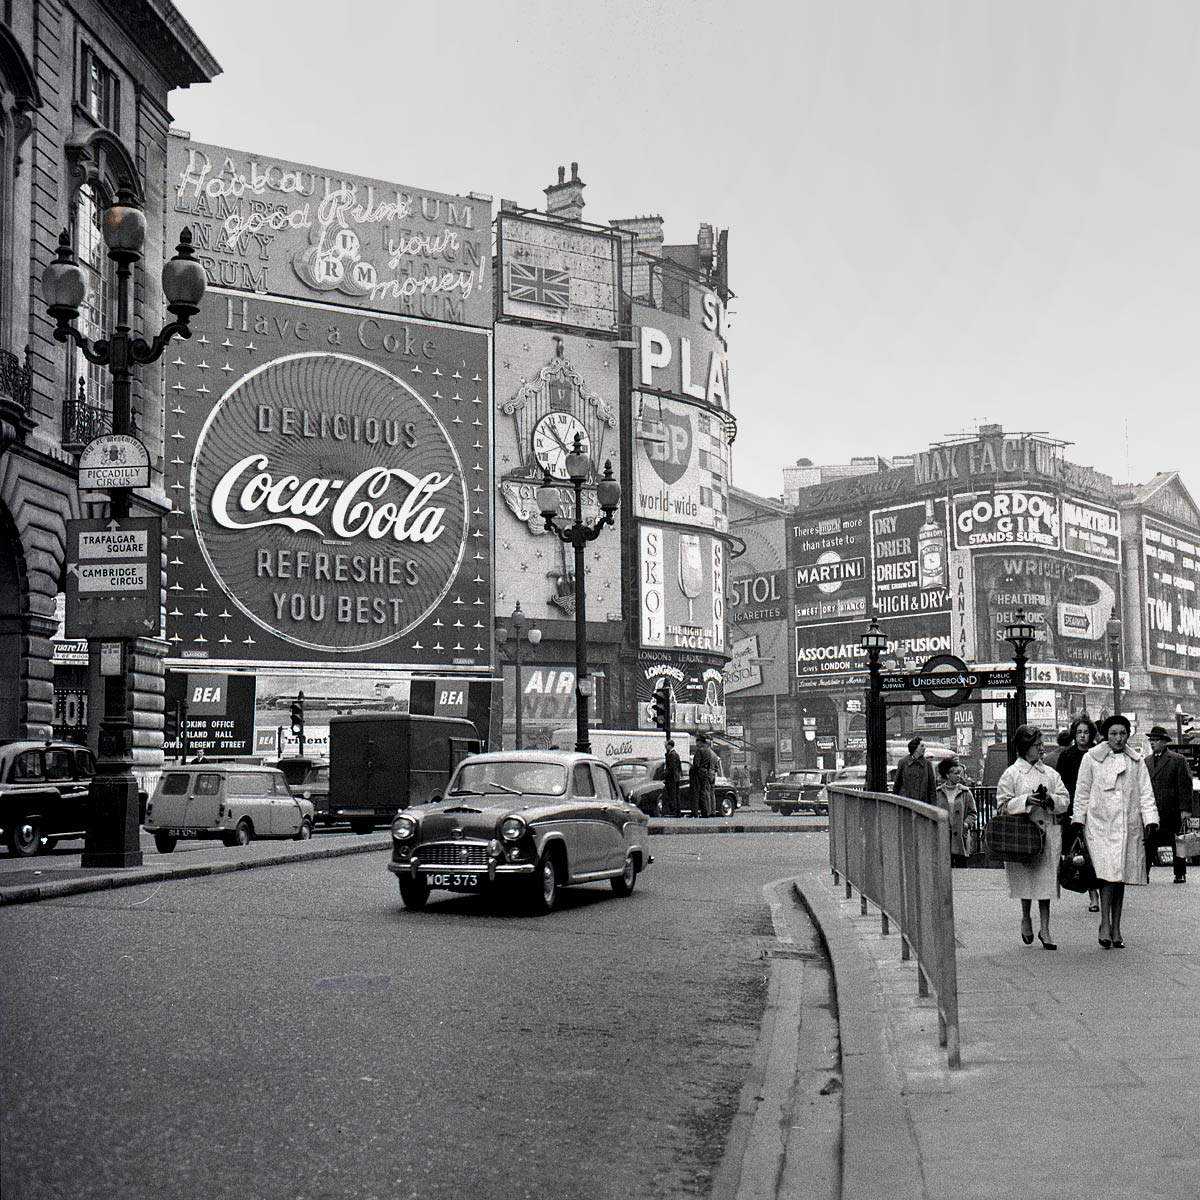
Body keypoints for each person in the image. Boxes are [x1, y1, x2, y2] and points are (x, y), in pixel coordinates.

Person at [1072, 714, 1159, 950]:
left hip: (1127, 826)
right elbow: (1082, 791)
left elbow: (1145, 793)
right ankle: (1104, 924)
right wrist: (1078, 820)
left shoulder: (1136, 761)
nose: (1118, 738)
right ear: (1105, 735)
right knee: (1107, 876)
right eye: (1113, 734)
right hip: (1100, 826)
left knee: (1120, 878)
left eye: (1122, 734)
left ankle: (1116, 927)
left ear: (1128, 735)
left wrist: (1150, 820)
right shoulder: (1091, 759)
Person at [995, 725, 1070, 949]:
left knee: (1046, 884)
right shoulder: (1011, 774)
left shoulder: (1050, 774)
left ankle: (1045, 929)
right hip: (1021, 834)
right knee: (1026, 882)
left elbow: (1064, 799)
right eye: (1037, 745)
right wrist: (1026, 801)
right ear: (1025, 748)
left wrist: (1050, 801)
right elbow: (1002, 805)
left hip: (1046, 832)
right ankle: (1026, 917)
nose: (1041, 749)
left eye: (1041, 744)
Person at [1055, 716, 1101, 912]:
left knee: (1092, 853)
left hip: (1096, 809)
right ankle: (1089, 891)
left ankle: (1095, 895)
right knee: (1080, 852)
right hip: (1074, 810)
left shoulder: (1096, 754)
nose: (1083, 736)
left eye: (1086, 732)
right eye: (1079, 732)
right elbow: (1061, 785)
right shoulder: (1067, 756)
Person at [1146, 725, 1193, 884]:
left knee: (1177, 842)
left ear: (1165, 742)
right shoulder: (1146, 761)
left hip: (1172, 809)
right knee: (1148, 841)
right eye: (1151, 740)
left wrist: (1185, 809)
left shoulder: (1177, 760)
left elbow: (1185, 785)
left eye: (1156, 740)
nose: (1153, 743)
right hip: (1153, 809)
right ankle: (1143, 873)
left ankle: (1180, 873)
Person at [935, 756, 978, 866]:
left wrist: (966, 824)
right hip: (943, 834)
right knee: (944, 866)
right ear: (947, 775)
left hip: (960, 835)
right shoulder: (938, 793)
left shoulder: (965, 792)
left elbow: (973, 812)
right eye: (955, 773)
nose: (958, 776)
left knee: (961, 866)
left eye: (959, 773)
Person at [893, 737, 937, 803]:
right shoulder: (903, 762)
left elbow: (932, 788)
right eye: (922, 746)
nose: (924, 748)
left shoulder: (927, 764)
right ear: (915, 748)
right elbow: (897, 784)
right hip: (906, 805)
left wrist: (933, 806)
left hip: (923, 805)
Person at [691, 734, 717, 818]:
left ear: (700, 742)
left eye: (697, 742)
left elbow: (696, 764)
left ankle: (695, 812)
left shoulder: (699, 751)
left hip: (698, 773)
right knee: (705, 793)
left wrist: (692, 769)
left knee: (696, 793)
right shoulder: (710, 752)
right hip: (707, 773)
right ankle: (706, 812)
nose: (696, 744)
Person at [663, 739, 682, 818]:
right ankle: (677, 812)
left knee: (672, 795)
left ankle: (674, 811)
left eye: (666, 745)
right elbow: (679, 766)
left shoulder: (671, 755)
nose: (665, 746)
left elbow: (671, 767)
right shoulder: (676, 754)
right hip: (676, 777)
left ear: (669, 746)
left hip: (672, 778)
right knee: (676, 795)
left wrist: (665, 774)